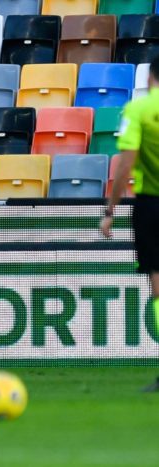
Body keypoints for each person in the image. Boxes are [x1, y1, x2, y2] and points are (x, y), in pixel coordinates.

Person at [101, 57, 159, 390]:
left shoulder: (138, 110)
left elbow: (125, 166)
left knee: (158, 286)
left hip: (152, 204)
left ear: (151, 78)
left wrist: (111, 209)